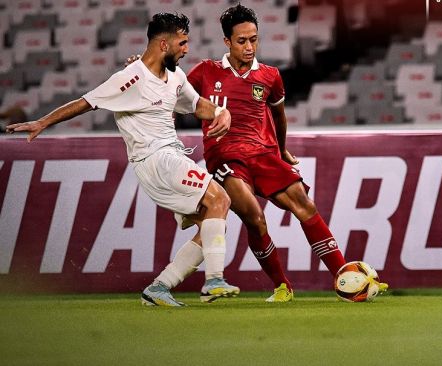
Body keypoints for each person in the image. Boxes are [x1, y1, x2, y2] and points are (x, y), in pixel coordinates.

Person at [6, 13, 239, 307]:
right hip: (155, 159)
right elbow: (86, 102)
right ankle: (214, 280)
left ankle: (159, 287)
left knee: (212, 221)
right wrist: (42, 122)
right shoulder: (131, 78)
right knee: (221, 199)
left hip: (169, 157)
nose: (186, 49)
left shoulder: (175, 77)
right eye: (182, 43)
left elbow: (195, 105)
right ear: (164, 44)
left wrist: (221, 112)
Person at [185, 4, 388, 302]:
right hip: (226, 158)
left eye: (254, 39)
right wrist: (146, 67)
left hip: (264, 154)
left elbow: (279, 117)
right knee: (255, 217)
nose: (249, 46)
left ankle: (345, 276)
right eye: (242, 41)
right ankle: (282, 285)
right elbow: (171, 91)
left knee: (305, 205)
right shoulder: (205, 72)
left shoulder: (269, 76)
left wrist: (281, 150)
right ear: (227, 42)